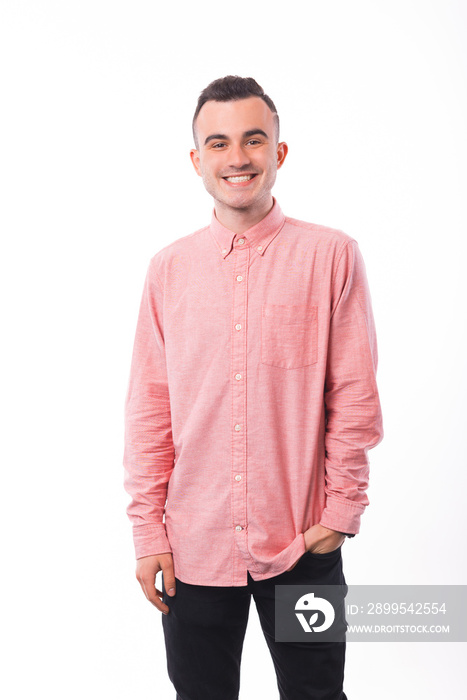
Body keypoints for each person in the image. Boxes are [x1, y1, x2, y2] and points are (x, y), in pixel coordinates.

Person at [123, 75, 383, 700]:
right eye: (218, 142)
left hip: (303, 543)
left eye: (253, 139)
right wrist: (149, 533)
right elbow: (149, 412)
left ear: (279, 152)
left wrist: (339, 516)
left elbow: (354, 394)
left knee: (317, 695)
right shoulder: (168, 270)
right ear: (197, 160)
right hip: (194, 547)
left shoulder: (331, 255)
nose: (237, 158)